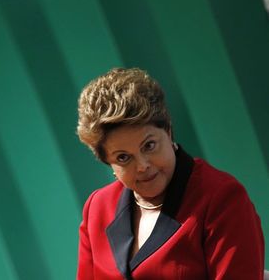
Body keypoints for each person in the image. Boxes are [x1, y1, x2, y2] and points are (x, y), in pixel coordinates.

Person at [76, 68, 265, 279]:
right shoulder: (96, 209)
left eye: (149, 146)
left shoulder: (222, 198)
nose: (142, 165)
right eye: (123, 157)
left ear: (168, 131)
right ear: (107, 161)